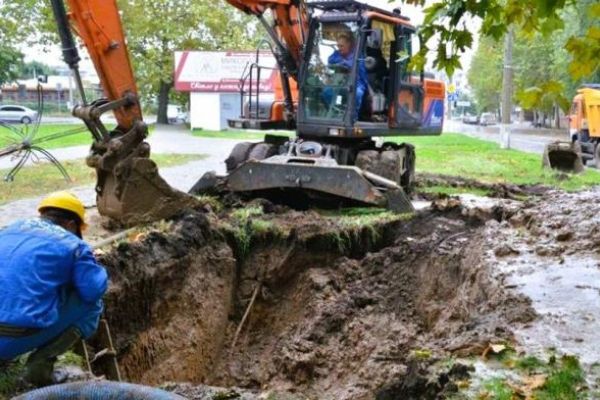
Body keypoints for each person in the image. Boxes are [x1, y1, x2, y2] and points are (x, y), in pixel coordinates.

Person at [0, 191, 108, 387]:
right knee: (92, 305)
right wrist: (96, 268)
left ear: (43, 215)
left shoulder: (8, 230)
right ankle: (38, 368)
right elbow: (93, 290)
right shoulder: (73, 244)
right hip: (9, 340)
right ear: (71, 225)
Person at [325, 32, 369, 120]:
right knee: (327, 92)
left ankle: (353, 118)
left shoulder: (358, 55)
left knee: (357, 94)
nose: (339, 48)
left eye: (341, 46)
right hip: (340, 83)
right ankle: (336, 112)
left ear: (349, 44)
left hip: (356, 83)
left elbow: (359, 70)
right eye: (338, 46)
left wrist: (345, 63)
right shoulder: (337, 54)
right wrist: (342, 61)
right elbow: (330, 60)